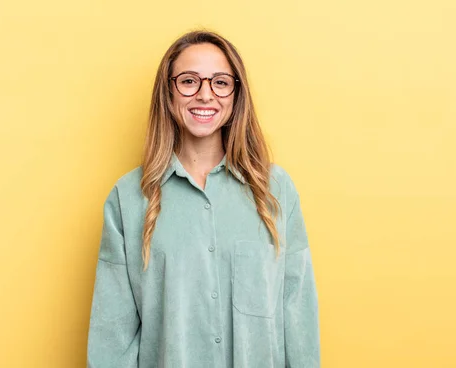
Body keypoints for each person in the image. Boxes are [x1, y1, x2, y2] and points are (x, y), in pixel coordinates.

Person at [87, 30, 320, 368]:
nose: (205, 95)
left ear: (236, 94)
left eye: (220, 82)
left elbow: (298, 318)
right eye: (189, 81)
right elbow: (112, 340)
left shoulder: (276, 191)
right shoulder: (127, 198)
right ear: (168, 92)